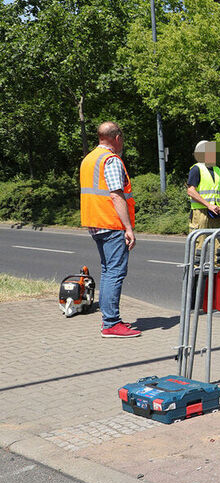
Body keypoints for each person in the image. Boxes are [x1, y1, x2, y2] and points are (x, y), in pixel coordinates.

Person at [79, 122, 140, 338]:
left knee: (108, 271)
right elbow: (116, 194)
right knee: (115, 272)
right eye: (122, 138)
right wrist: (128, 228)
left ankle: (110, 319)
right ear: (116, 138)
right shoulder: (111, 160)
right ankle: (111, 323)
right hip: (111, 222)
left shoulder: (89, 159)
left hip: (95, 221)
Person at [187, 140, 220, 266]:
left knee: (219, 246)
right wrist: (208, 205)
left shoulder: (217, 170)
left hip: (216, 213)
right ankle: (195, 275)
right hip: (200, 213)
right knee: (199, 246)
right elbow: (191, 191)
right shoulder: (196, 169)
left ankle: (218, 271)